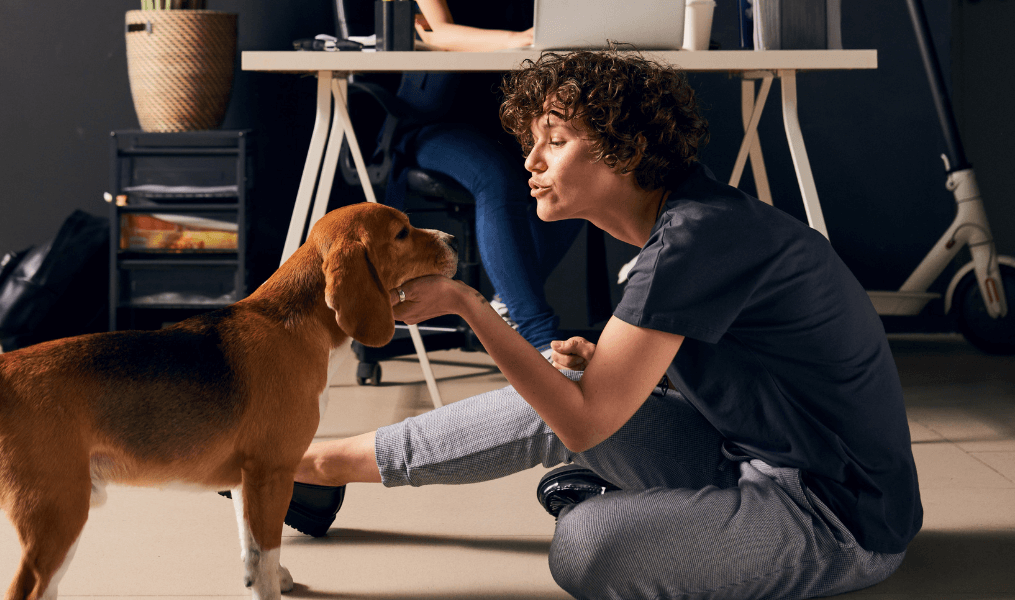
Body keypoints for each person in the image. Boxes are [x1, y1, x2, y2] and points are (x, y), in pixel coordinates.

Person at [289, 51, 922, 599]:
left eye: (556, 141)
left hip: (835, 514)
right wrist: (610, 362)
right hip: (745, 455)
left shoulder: (693, 242)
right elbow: (751, 371)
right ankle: (309, 467)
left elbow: (586, 420)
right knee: (559, 385)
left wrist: (467, 304)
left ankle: (611, 506)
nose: (531, 161)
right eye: (532, 141)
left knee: (585, 549)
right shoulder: (686, 225)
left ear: (630, 150)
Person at [380, 0, 583, 355]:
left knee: (576, 170)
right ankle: (538, 336)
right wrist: (521, 40)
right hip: (433, 121)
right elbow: (438, 31)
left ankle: (507, 301)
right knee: (496, 177)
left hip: (508, 122)